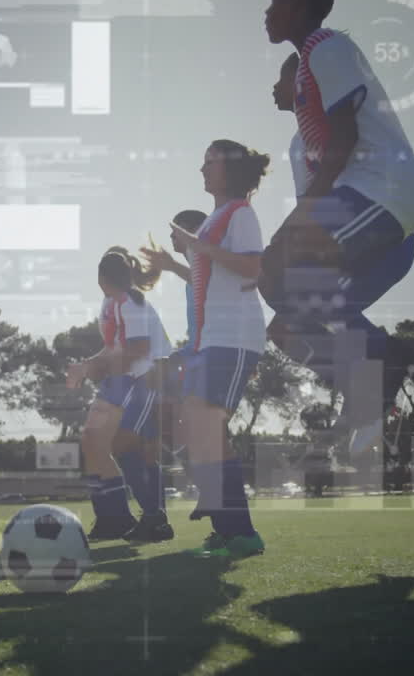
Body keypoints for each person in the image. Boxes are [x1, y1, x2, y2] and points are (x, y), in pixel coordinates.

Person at [261, 0, 414, 453]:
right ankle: (363, 391)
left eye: (273, 5)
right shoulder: (301, 142)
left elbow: (346, 139)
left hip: (386, 194)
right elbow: (321, 187)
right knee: (285, 320)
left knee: (284, 272)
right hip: (359, 205)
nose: (266, 15)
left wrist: (285, 236)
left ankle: (382, 360)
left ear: (297, 1)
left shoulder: (327, 48)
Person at [169, 139, 269, 559]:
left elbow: (252, 268)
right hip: (213, 340)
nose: (202, 169)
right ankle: (228, 529)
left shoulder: (240, 213)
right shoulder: (217, 218)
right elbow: (205, 279)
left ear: (228, 170)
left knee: (205, 426)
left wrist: (196, 244)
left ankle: (239, 531)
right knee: (199, 426)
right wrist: (180, 255)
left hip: (234, 337)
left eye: (209, 162)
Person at [66, 248, 171, 541]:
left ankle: (154, 517)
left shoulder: (131, 303)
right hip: (123, 376)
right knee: (92, 440)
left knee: (126, 446)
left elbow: (137, 351)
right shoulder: (109, 302)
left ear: (103, 277)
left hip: (146, 377)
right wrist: (88, 365)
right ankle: (115, 518)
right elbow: (114, 347)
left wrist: (90, 368)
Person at [139, 209, 207, 461]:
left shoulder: (206, 265)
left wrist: (169, 265)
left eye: (175, 231)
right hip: (196, 350)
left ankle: (180, 444)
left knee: (207, 427)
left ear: (191, 231)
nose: (171, 236)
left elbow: (206, 281)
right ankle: (177, 442)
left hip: (208, 352)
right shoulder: (194, 273)